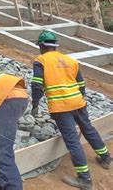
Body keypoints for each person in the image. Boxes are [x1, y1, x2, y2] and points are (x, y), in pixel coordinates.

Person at [31, 30, 110, 189]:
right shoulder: (70, 60)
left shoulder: (41, 61)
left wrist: (35, 105)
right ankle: (106, 157)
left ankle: (85, 179)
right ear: (55, 46)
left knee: (72, 140)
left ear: (41, 46)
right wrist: (79, 99)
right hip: (78, 103)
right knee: (88, 128)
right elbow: (81, 84)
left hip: (61, 107)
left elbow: (37, 85)